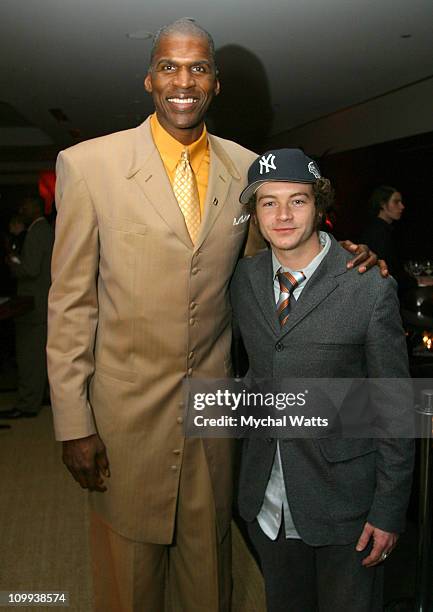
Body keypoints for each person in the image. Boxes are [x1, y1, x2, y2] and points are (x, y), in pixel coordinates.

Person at [47, 19, 383, 612]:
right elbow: (71, 303)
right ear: (149, 78)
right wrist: (74, 422)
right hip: (122, 421)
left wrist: (345, 255)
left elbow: (273, 259)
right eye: (170, 67)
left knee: (210, 581)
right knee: (129, 584)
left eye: (198, 67)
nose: (184, 80)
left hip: (214, 418)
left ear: (215, 83)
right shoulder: (88, 165)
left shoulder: (248, 169)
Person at [230, 149, 414, 612]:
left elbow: (394, 405)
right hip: (266, 502)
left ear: (320, 206)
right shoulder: (243, 278)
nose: (284, 215)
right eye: (268, 202)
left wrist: (389, 510)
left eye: (298, 200)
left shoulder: (368, 285)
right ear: (254, 213)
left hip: (345, 508)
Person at [0, 195, 54, 418]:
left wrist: (11, 258)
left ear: (36, 208)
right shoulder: (44, 231)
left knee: (29, 356)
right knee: (38, 356)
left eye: (26, 205)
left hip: (33, 305)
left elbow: (30, 269)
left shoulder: (37, 231)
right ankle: (38, 398)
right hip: (42, 303)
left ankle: (27, 404)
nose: (22, 208)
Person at [361, 185, 415, 294]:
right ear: (382, 204)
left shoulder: (384, 229)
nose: (402, 206)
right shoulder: (378, 232)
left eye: (401, 202)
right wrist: (416, 281)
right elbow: (385, 272)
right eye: (396, 202)